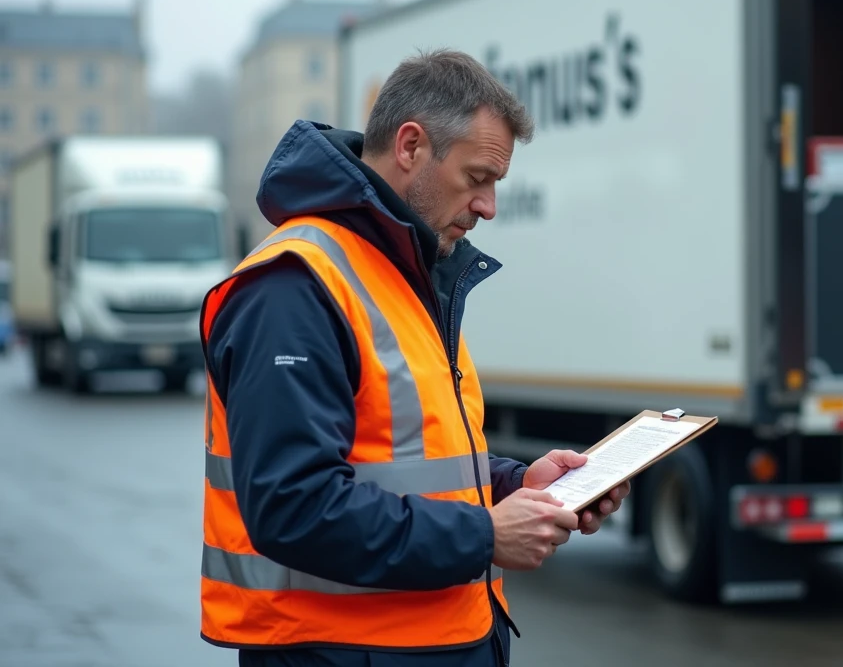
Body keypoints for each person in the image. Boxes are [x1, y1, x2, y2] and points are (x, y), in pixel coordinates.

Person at [199, 49, 630, 667]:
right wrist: (486, 534)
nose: (488, 207)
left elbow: (413, 459)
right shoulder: (294, 286)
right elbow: (292, 506)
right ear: (410, 147)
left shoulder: (402, 269)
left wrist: (517, 484)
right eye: (477, 178)